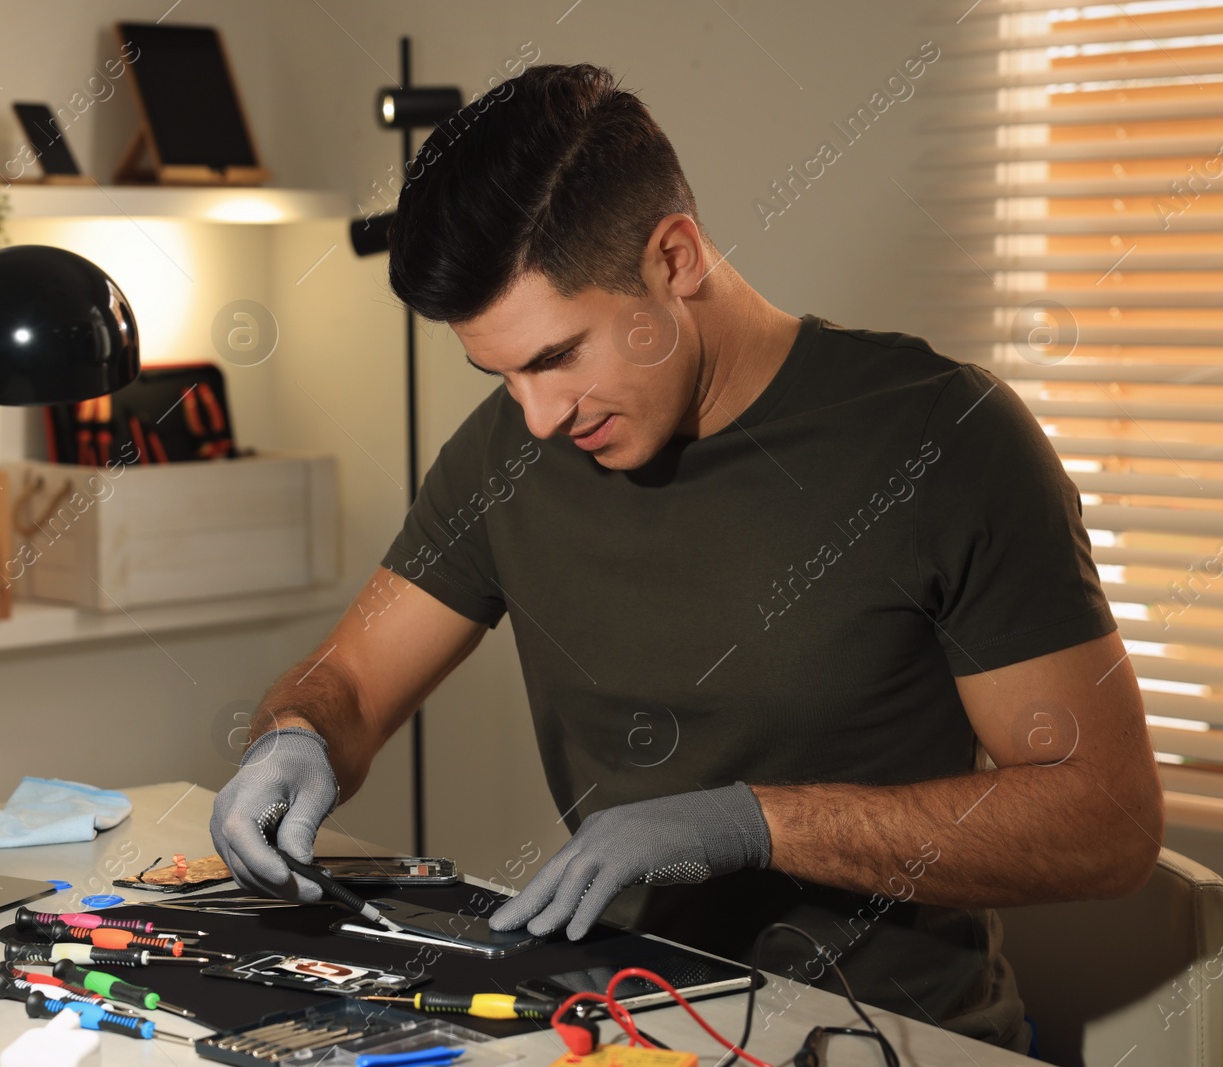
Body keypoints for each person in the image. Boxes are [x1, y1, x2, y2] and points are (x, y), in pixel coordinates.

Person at [209, 63, 1162, 1053]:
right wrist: (298, 733)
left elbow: (1106, 817)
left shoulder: (942, 437)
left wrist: (751, 824)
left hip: (889, 1036)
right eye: (498, 373)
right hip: (623, 1025)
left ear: (675, 258)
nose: (534, 416)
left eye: (555, 357)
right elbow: (355, 682)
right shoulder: (508, 453)